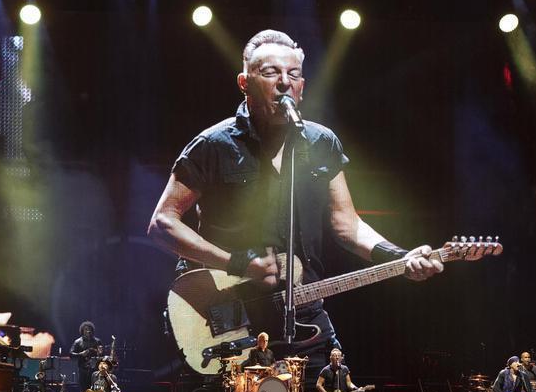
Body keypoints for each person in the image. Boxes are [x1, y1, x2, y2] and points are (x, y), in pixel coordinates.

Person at [147, 29, 441, 364]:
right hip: (230, 315)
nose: (285, 82)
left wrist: (399, 257)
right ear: (244, 83)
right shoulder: (213, 145)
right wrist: (237, 263)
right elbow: (162, 223)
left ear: (302, 86)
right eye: (271, 72)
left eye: (294, 74)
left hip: (303, 308)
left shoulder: (320, 143)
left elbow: (347, 225)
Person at [70, 321, 104, 392]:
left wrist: (100, 354)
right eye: (86, 329)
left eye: (90, 329)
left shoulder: (97, 341)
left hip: (95, 371)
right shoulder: (78, 341)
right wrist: (81, 354)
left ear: (92, 331)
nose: (88, 331)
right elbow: (71, 354)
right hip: (83, 370)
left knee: (96, 391)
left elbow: (103, 356)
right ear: (82, 331)